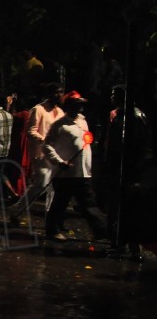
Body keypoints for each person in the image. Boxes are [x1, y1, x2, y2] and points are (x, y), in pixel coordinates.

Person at [42, 91, 107, 242]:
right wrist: (59, 161)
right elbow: (47, 146)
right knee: (60, 203)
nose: (80, 108)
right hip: (67, 173)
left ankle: (101, 231)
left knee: (89, 203)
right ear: (69, 106)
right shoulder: (59, 125)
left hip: (83, 171)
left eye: (81, 105)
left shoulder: (83, 121)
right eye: (76, 105)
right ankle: (52, 230)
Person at [102, 84, 150, 259]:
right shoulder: (131, 115)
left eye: (114, 94)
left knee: (122, 208)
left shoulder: (128, 117)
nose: (111, 98)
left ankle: (124, 245)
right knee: (127, 208)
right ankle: (129, 245)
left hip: (124, 170)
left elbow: (128, 147)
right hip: (128, 170)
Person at [11, 83, 65, 221]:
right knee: (41, 184)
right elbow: (30, 131)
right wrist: (44, 140)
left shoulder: (60, 112)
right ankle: (18, 210)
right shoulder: (38, 109)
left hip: (55, 155)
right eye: (56, 92)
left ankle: (50, 217)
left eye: (61, 92)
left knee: (52, 187)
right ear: (49, 94)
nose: (59, 95)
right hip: (40, 154)